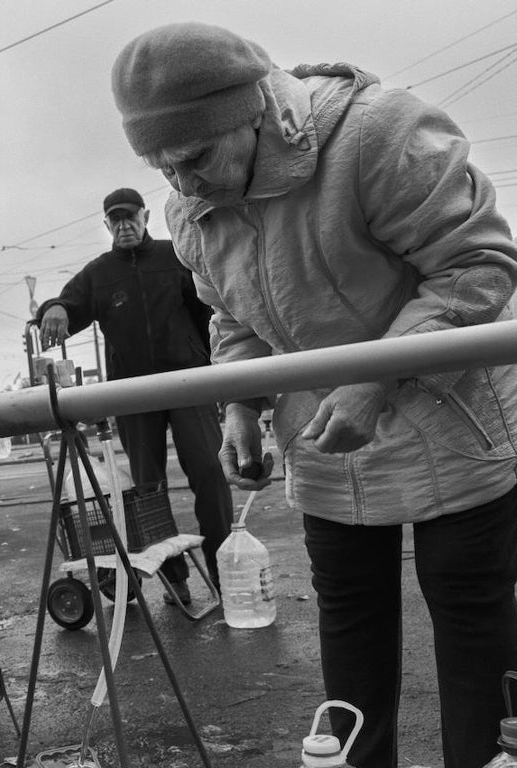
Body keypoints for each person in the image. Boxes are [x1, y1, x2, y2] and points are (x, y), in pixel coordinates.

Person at [111, 22, 517, 768]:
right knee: (351, 622)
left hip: (450, 416)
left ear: (256, 109)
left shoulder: (377, 135)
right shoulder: (189, 213)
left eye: (196, 157)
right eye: (162, 167)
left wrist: (376, 378)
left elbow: (478, 265)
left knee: (470, 619)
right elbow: (233, 317)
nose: (183, 183)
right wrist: (239, 404)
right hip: (327, 438)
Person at [38, 188, 233, 604]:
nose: (125, 225)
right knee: (147, 489)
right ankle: (174, 578)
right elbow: (67, 304)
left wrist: (213, 369)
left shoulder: (174, 256)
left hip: (188, 383)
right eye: (116, 219)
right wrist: (53, 307)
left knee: (210, 475)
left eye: (131, 217)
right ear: (106, 225)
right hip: (131, 393)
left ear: (146, 217)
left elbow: (210, 312)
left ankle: (222, 574)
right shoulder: (99, 273)